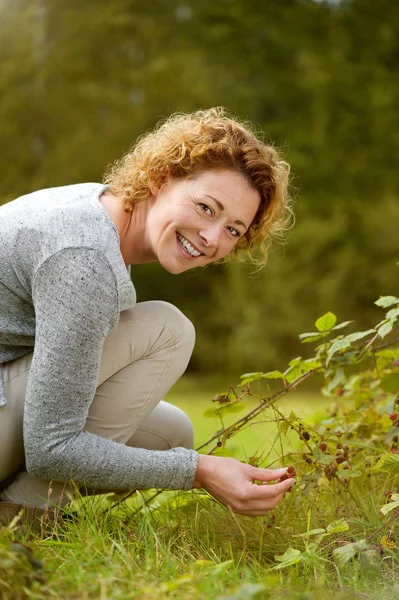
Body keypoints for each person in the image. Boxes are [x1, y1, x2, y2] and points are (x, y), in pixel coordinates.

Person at [0, 107, 295, 524]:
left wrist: (187, 463)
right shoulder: (85, 260)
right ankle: (21, 515)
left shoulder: (104, 210)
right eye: (207, 208)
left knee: (169, 433)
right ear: (160, 178)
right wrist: (200, 471)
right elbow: (51, 450)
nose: (212, 238)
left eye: (233, 229)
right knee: (165, 330)